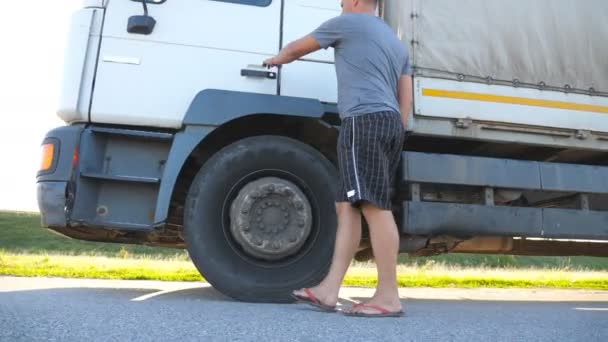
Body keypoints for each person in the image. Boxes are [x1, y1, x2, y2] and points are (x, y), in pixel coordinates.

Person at [263, 0, 413, 318]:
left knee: (374, 207)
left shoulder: (347, 23)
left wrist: (274, 59)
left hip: (363, 120)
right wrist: (392, 132)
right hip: (387, 122)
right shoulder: (395, 42)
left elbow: (295, 49)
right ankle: (329, 290)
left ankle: (388, 296)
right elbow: (406, 98)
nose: (340, 2)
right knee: (347, 205)